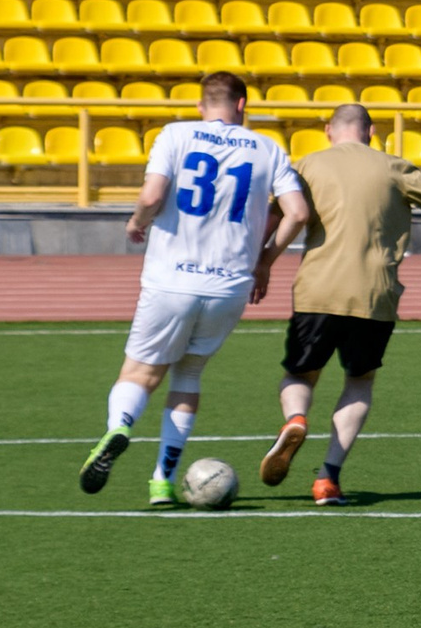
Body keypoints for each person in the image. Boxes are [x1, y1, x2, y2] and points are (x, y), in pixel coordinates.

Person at [259, 104, 421, 505]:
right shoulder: (395, 167)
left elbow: (276, 219)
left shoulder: (306, 166)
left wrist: (262, 264)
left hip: (317, 291)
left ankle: (296, 419)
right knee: (359, 381)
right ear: (371, 132)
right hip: (375, 294)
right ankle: (327, 478)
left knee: (301, 375)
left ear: (328, 131)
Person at [79, 73, 306, 506]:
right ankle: (162, 481)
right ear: (242, 105)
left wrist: (135, 223)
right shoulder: (268, 148)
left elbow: (152, 194)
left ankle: (120, 426)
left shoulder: (175, 134)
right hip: (230, 285)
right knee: (188, 375)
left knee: (140, 374)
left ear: (203, 105)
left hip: (171, 279)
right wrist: (264, 262)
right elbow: (297, 212)